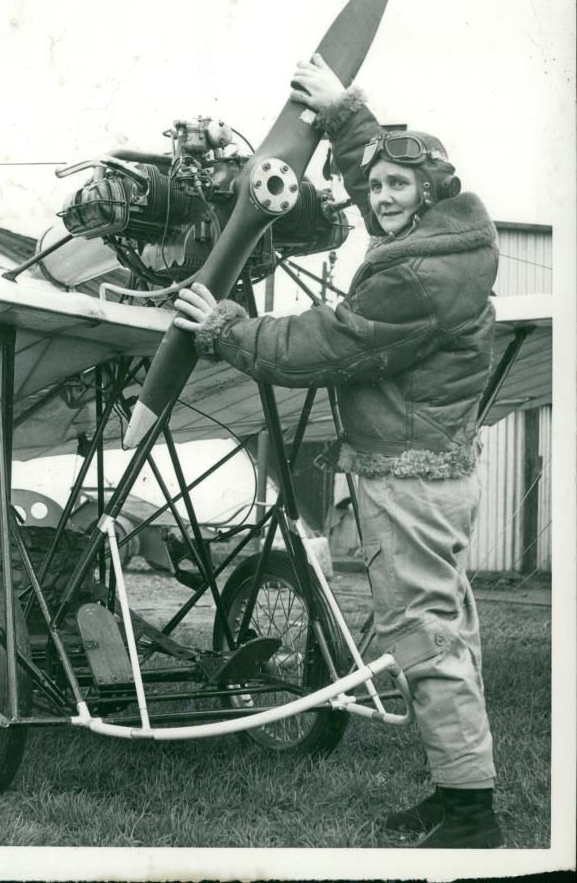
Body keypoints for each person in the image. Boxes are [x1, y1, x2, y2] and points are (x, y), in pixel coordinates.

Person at [172, 53, 502, 849]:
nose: (379, 197)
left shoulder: (416, 277)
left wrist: (223, 329)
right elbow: (372, 183)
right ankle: (458, 790)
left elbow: (328, 343)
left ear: (430, 193)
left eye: (398, 187)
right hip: (432, 470)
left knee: (422, 634)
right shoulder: (446, 240)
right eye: (376, 183)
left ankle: (470, 814)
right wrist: (345, 115)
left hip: (407, 480)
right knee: (445, 629)